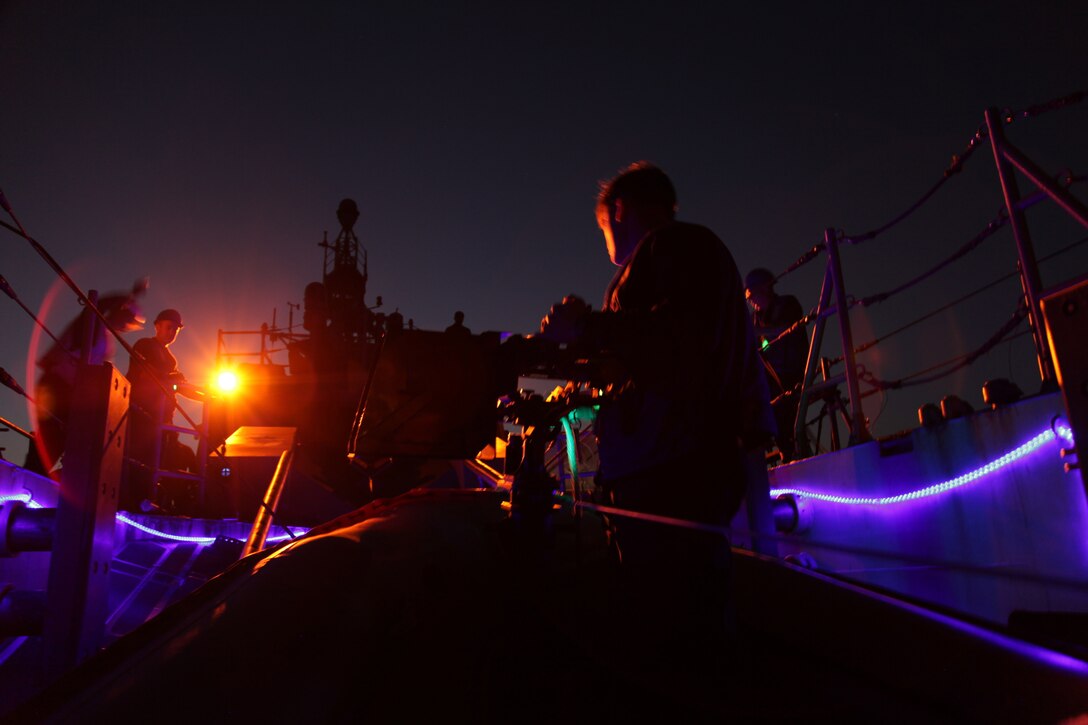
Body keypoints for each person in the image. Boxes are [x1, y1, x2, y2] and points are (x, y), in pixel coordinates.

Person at [539, 162, 773, 659]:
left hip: (671, 467)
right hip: (689, 460)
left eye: (604, 227)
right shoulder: (696, 251)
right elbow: (653, 359)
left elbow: (675, 343)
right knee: (695, 611)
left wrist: (586, 325)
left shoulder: (670, 249)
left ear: (619, 211)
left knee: (670, 628)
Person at [31, 281, 147, 474]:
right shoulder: (92, 323)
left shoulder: (105, 337)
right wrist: (128, 295)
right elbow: (97, 306)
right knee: (51, 439)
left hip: (71, 391)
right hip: (57, 386)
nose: (127, 327)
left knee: (61, 441)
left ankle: (36, 480)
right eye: (127, 320)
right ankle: (28, 481)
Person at [125, 308, 198, 507]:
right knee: (139, 459)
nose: (172, 331)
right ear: (157, 326)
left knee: (162, 460)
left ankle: (155, 501)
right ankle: (134, 502)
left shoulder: (171, 359)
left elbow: (178, 386)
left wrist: (207, 395)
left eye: (175, 329)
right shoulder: (145, 345)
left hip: (163, 419)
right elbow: (146, 374)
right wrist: (171, 379)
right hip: (141, 415)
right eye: (169, 327)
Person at [745, 267, 808, 460]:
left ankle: (794, 456)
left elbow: (789, 330)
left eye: (753, 295)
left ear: (765, 290)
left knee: (786, 419)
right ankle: (780, 455)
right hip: (771, 381)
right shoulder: (756, 318)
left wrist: (755, 334)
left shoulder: (788, 304)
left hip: (792, 373)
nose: (751, 301)